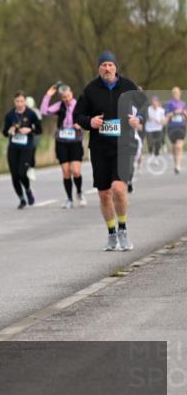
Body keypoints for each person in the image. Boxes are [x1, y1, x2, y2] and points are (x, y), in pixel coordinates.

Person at [73, 51, 146, 252]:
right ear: (99, 68)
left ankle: (123, 229)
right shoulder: (90, 90)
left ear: (116, 67)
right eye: (104, 65)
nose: (107, 68)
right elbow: (77, 115)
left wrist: (138, 119)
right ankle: (112, 233)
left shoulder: (128, 86)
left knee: (119, 189)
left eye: (110, 65)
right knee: (104, 194)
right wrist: (90, 122)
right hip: (99, 148)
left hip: (124, 147)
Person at [40, 83, 86, 208]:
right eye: (64, 97)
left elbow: (88, 120)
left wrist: (81, 125)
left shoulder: (79, 105)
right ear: (61, 97)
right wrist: (48, 95)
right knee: (66, 172)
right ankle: (69, 199)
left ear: (72, 93)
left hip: (75, 141)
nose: (67, 99)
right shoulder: (59, 106)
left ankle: (79, 192)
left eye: (68, 96)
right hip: (61, 141)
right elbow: (44, 111)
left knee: (75, 171)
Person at [3, 92, 42, 209]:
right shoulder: (10, 115)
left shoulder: (31, 114)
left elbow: (39, 130)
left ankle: (28, 190)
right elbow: (4, 132)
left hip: (26, 147)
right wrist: (9, 131)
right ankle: (21, 199)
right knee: (14, 175)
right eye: (17, 101)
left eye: (21, 101)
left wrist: (29, 130)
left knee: (21, 173)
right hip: (13, 147)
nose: (19, 104)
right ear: (14, 102)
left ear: (25, 101)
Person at [165, 86, 186, 174]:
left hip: (181, 126)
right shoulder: (169, 104)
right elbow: (166, 115)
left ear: (180, 94)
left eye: (178, 93)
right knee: (174, 147)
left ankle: (178, 165)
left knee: (179, 146)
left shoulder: (183, 104)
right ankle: (176, 163)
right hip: (172, 127)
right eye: (175, 94)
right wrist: (174, 112)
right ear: (172, 94)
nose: (176, 95)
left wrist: (183, 112)